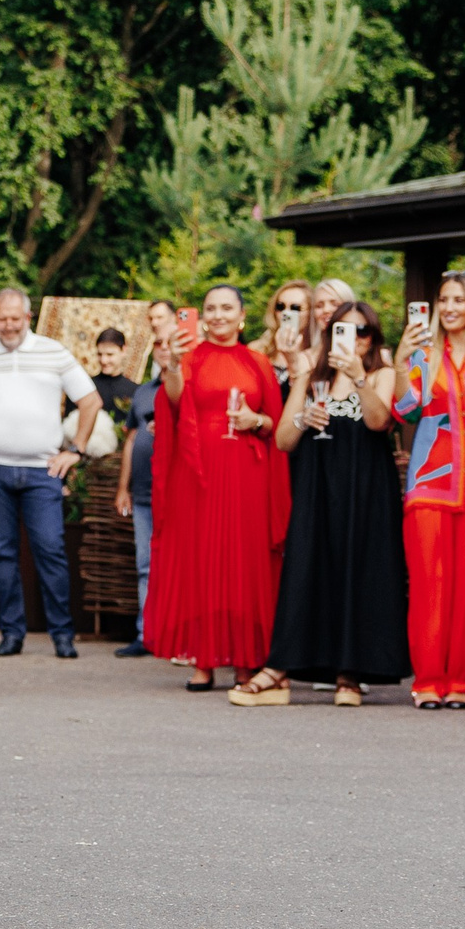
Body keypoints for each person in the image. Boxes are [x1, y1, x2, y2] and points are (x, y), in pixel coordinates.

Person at [232, 301, 408, 705]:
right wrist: (302, 409)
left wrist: (358, 377)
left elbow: (379, 422)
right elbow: (283, 440)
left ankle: (350, 673)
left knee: (358, 571)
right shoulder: (312, 377)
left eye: (362, 331)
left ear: (372, 337)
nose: (354, 339)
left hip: (364, 490)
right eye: (343, 331)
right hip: (317, 487)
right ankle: (280, 667)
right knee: (305, 569)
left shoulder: (380, 373)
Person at [143, 285, 288, 689]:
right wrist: (171, 365)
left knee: (245, 559)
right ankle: (203, 659)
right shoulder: (189, 359)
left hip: (247, 472)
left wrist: (255, 421)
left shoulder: (258, 363)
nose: (219, 315)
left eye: (227, 308)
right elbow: (172, 405)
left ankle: (246, 659)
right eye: (211, 308)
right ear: (202, 316)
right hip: (198, 471)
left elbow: (277, 424)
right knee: (203, 558)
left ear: (242, 315)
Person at [390, 271, 465, 707]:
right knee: (428, 586)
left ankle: (459, 681)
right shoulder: (424, 356)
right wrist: (401, 364)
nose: (450, 307)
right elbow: (404, 410)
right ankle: (427, 680)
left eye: (459, 299)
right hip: (429, 484)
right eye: (444, 300)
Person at [0, 287, 103, 659]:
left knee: (51, 550)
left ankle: (62, 634)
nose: (8, 325)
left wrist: (76, 450)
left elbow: (90, 401)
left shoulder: (53, 352)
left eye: (15, 318)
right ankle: (11, 633)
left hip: (43, 469)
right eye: (1, 319)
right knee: (1, 553)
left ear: (28, 317)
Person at [111, 298, 175, 658]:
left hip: (177, 492)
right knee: (145, 564)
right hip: (143, 492)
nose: (163, 349)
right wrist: (123, 488)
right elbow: (132, 439)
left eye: (169, 343)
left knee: (178, 564)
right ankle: (145, 633)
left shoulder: (187, 386)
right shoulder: (143, 391)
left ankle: (177, 635)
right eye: (158, 345)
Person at [262, 280, 314, 387]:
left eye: (295, 308)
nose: (286, 313)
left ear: (311, 312)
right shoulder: (259, 349)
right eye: (280, 307)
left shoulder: (317, 355)